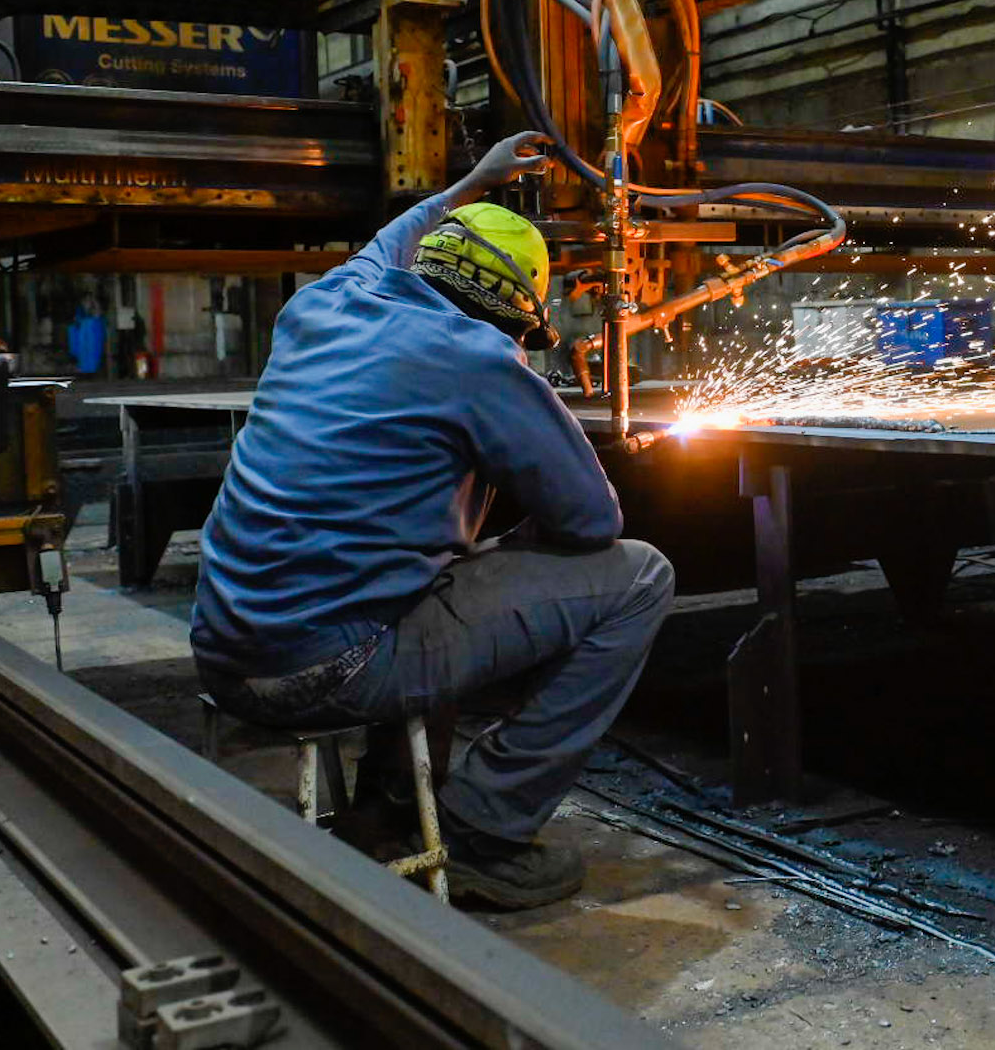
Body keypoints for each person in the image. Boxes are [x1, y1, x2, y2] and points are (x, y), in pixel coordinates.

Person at [190, 133, 674, 909]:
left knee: (446, 566)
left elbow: (392, 239)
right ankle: (484, 832)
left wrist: (474, 182)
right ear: (514, 316)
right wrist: (523, 407)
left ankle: (389, 809)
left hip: (220, 649)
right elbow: (591, 521)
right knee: (642, 575)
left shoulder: (326, 298)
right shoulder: (481, 359)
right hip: (324, 669)